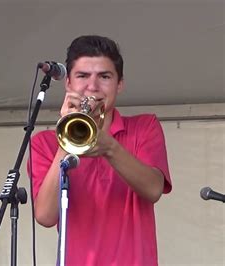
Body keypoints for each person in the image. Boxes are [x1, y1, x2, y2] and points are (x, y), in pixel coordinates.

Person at [29, 35, 172, 265]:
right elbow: (45, 216)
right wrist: (65, 142)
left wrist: (111, 148)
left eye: (104, 76)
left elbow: (154, 189)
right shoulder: (44, 142)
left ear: (120, 84)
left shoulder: (145, 127)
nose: (92, 86)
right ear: (68, 84)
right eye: (82, 76)